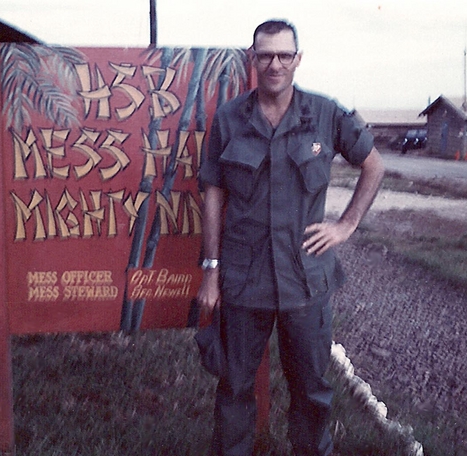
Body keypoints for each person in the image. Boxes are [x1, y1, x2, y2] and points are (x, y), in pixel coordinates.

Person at [197, 19, 385, 456]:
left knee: (312, 392)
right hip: (244, 281)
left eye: (284, 55)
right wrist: (211, 271)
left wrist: (347, 224)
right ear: (253, 59)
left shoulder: (324, 114)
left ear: (297, 59)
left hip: (305, 280)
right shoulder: (228, 119)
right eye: (265, 55)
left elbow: (374, 165)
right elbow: (212, 193)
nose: (275, 64)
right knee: (235, 388)